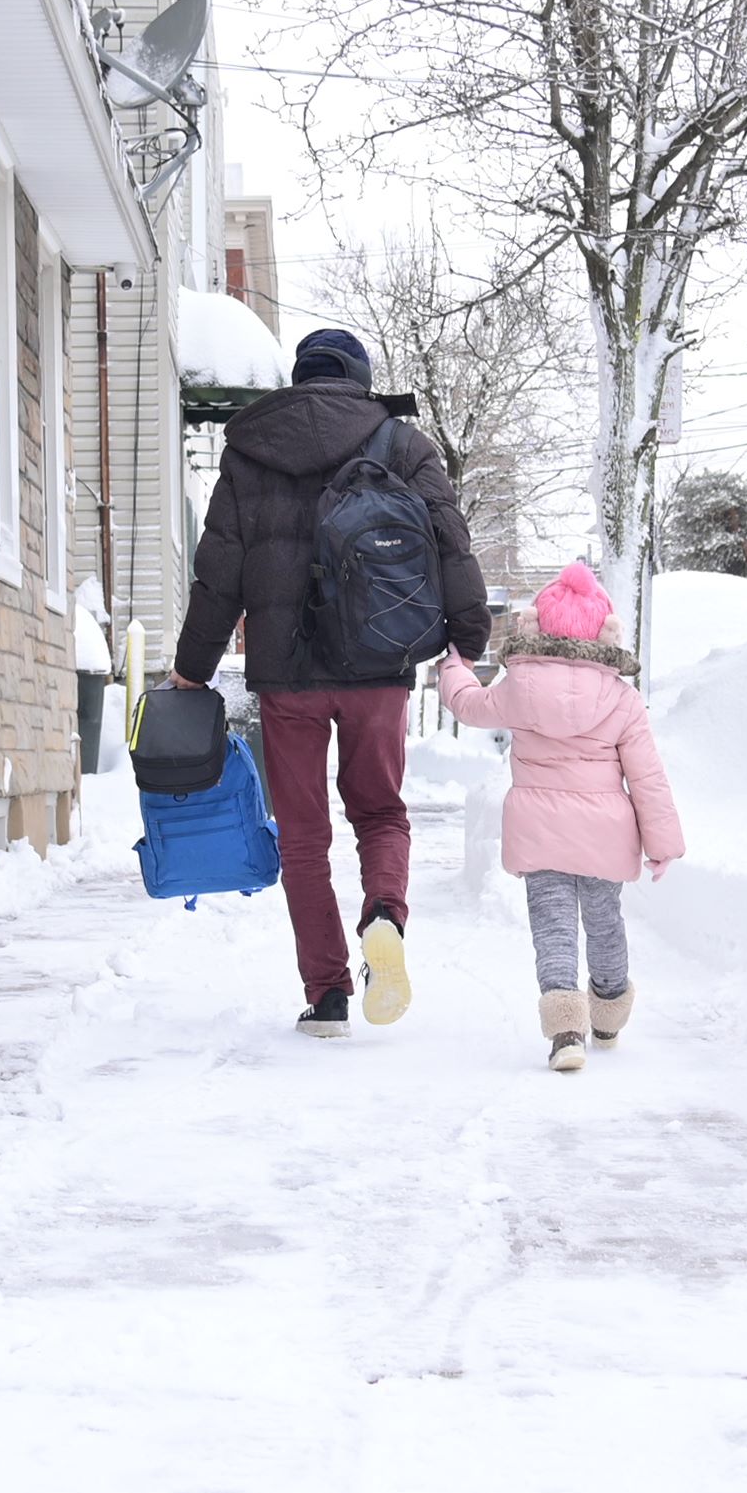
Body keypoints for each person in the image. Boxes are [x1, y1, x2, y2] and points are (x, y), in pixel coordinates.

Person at [173, 326, 489, 1037]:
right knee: (378, 811)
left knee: (304, 836)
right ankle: (384, 915)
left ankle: (329, 994)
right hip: (379, 662)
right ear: (359, 376)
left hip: (288, 675)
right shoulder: (403, 444)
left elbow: (218, 573)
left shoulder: (252, 449)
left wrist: (193, 667)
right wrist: (466, 636)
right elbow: (451, 541)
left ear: (299, 376)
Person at [434, 561, 682, 1073]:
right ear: (604, 632)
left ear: (539, 627)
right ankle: (609, 1012)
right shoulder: (622, 697)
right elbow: (647, 777)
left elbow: (469, 705)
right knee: (604, 922)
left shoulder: (520, 686)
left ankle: (566, 1031)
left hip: (541, 833)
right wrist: (662, 842)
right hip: (604, 836)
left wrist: (452, 668)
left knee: (553, 929)